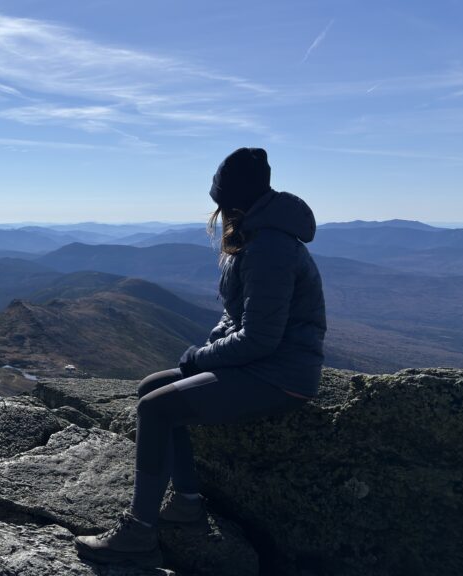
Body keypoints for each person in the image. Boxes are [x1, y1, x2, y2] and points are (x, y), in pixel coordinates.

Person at [74, 147, 327, 567]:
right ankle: (187, 502)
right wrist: (208, 351)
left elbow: (260, 338)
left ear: (230, 201)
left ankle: (139, 532)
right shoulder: (257, 237)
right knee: (151, 387)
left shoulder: (270, 248)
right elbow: (237, 315)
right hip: (263, 366)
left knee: (156, 408)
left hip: (280, 376)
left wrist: (200, 359)